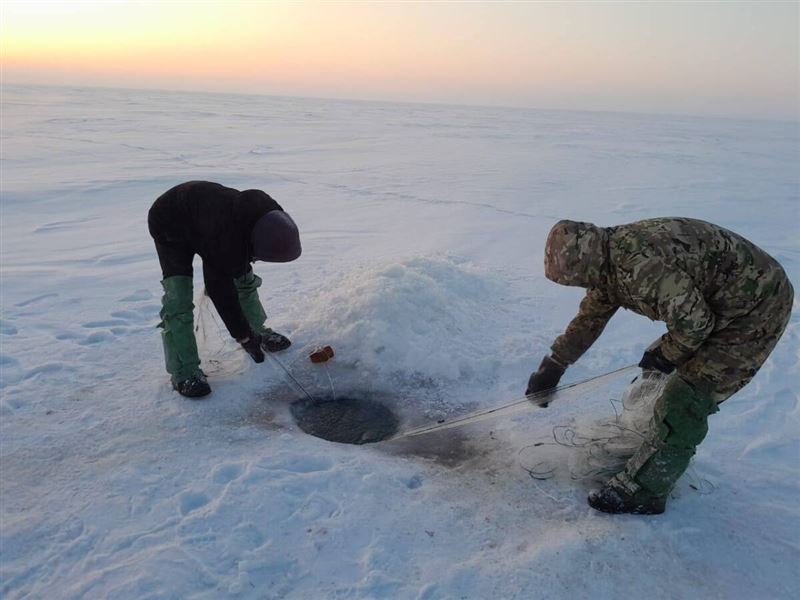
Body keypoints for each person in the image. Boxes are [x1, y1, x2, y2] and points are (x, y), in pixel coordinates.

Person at [527, 218, 793, 514]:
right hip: (720, 302)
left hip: (757, 307)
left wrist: (668, 354)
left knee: (689, 394)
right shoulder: (607, 259)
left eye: (577, 279)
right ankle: (652, 438)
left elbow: (695, 326)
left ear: (585, 263)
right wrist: (554, 365)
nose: (582, 285)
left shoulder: (642, 268)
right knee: (657, 372)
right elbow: (590, 319)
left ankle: (644, 490)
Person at [148, 181, 301, 398]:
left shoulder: (267, 211)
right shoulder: (225, 239)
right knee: (179, 300)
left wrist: (251, 333)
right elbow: (221, 292)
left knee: (244, 280)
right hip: (170, 224)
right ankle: (184, 372)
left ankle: (260, 331)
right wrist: (243, 337)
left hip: (209, 223)